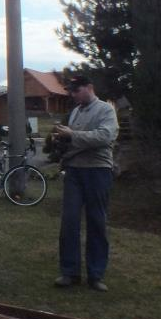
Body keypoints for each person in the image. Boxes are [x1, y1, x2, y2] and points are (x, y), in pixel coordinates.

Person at [52, 75, 118, 292]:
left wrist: (72, 135)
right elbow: (75, 140)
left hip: (98, 171)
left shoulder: (106, 110)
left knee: (96, 222)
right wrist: (61, 140)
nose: (73, 94)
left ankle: (96, 275)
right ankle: (70, 272)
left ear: (89, 87)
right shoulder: (75, 112)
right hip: (74, 171)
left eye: (76, 90)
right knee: (69, 221)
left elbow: (104, 137)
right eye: (71, 91)